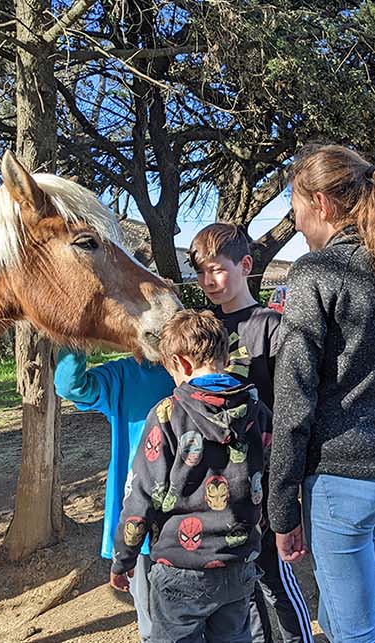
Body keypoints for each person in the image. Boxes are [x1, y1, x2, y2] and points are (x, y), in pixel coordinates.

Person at [267, 144, 375, 643]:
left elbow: (293, 397)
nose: (295, 220)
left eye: (295, 208)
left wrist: (282, 508)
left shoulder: (315, 271)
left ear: (322, 205)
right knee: (337, 615)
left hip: (341, 482)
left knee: (356, 630)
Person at [109, 310, 271, 643]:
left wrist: (123, 558)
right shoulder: (258, 412)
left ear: (181, 365)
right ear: (225, 357)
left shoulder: (168, 414)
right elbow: (273, 474)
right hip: (239, 563)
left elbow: (142, 494)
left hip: (181, 570)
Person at [187, 223, 312, 643]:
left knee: (275, 574)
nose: (208, 281)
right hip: (221, 477)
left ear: (245, 265)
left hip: (266, 468)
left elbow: (292, 401)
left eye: (216, 270)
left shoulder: (272, 327)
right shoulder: (204, 330)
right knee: (242, 580)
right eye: (201, 273)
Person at [55, 312, 176, 640]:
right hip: (147, 524)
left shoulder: (194, 370)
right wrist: (77, 332)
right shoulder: (126, 374)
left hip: (195, 521)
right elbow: (70, 385)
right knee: (153, 612)